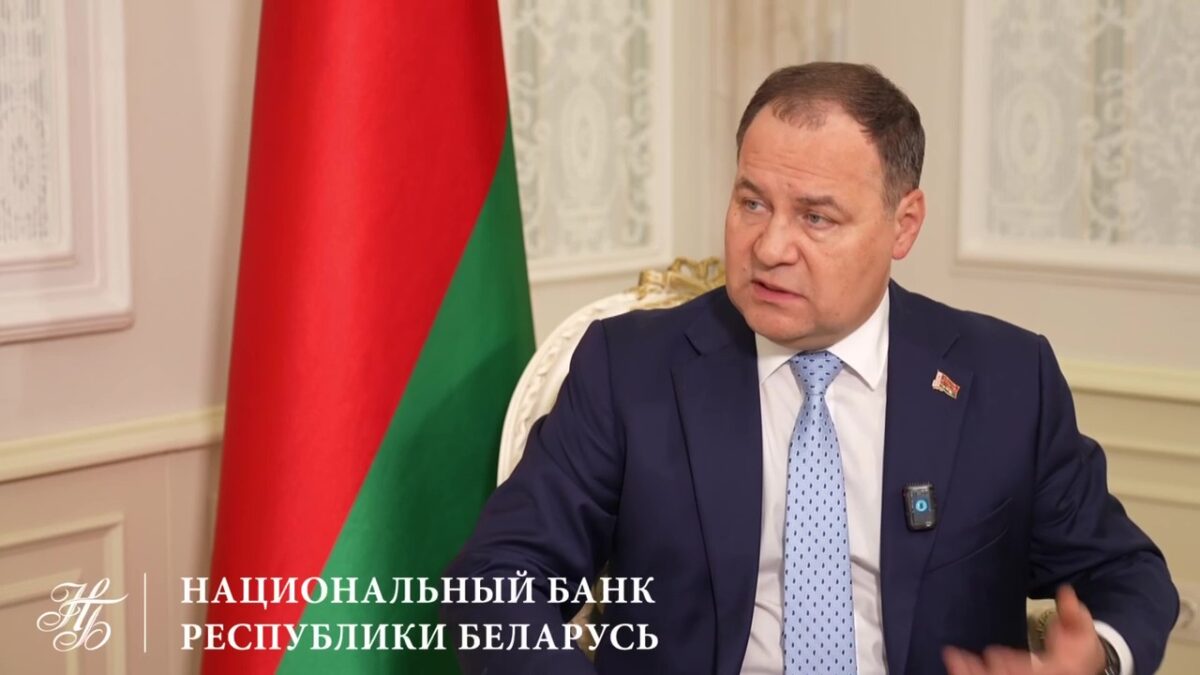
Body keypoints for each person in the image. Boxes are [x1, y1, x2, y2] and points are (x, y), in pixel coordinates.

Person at [442, 62, 1178, 675]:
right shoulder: (629, 368)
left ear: (903, 224)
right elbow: (495, 579)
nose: (769, 248)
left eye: (816, 217)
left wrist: (1098, 658)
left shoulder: (1007, 378)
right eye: (751, 203)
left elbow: (1128, 575)